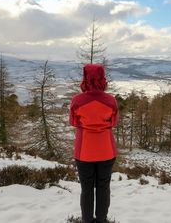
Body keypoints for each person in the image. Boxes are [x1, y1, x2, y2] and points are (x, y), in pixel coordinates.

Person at [69, 64, 118, 223]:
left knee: (87, 189)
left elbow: (73, 122)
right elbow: (114, 123)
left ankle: (87, 220)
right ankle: (102, 220)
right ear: (102, 78)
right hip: (106, 151)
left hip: (84, 152)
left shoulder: (77, 101)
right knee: (103, 187)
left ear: (85, 78)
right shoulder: (111, 101)